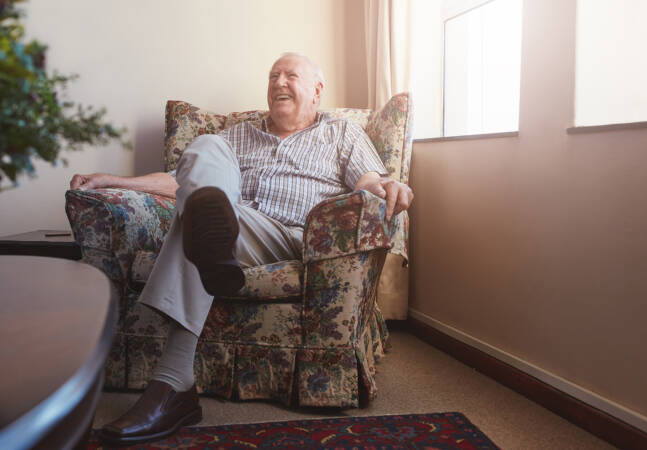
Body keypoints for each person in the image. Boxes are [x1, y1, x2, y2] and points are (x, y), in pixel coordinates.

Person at [69, 53, 413, 445]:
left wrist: (389, 185)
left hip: (295, 238)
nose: (279, 82)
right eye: (273, 75)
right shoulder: (238, 135)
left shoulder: (342, 133)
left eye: (290, 75)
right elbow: (178, 181)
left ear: (317, 90)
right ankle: (211, 250)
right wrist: (113, 181)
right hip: (235, 225)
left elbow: (367, 182)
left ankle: (173, 383)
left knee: (195, 218)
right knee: (204, 161)